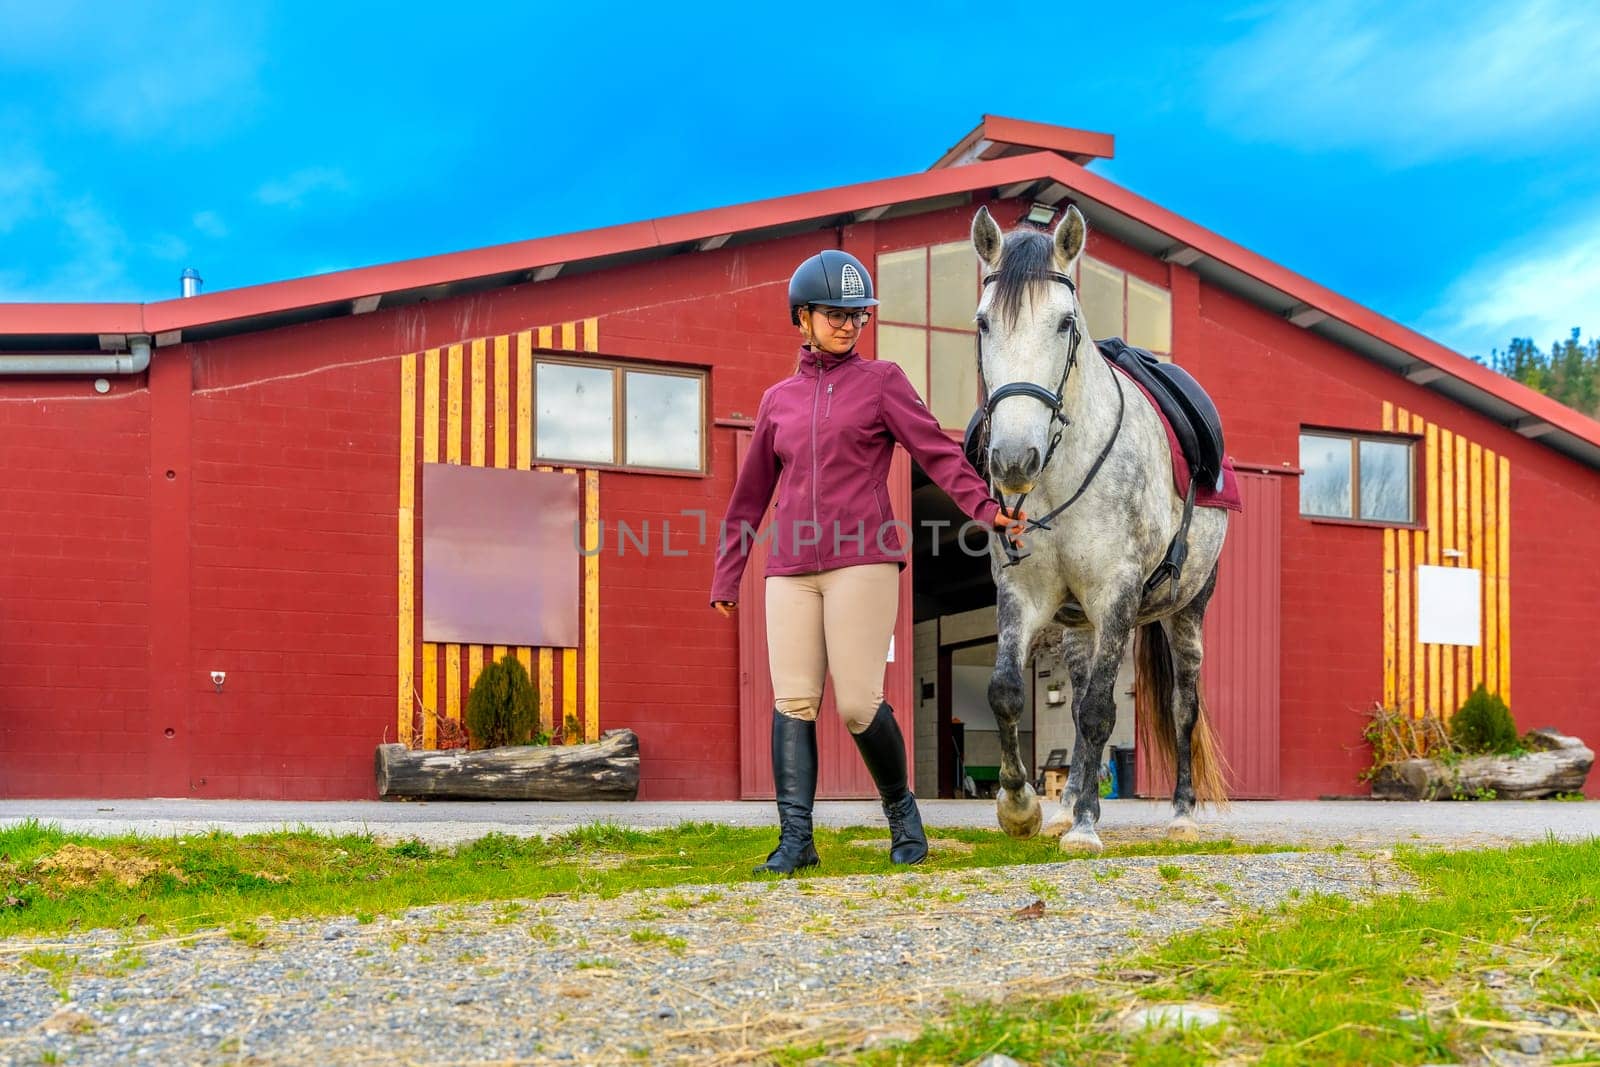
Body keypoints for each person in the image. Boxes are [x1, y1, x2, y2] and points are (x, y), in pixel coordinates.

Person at [710, 248, 1027, 875]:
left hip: (864, 557)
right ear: (802, 318)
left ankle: (901, 811)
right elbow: (749, 497)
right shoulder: (778, 401)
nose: (849, 324)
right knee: (793, 701)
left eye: (857, 315)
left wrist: (987, 509)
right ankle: (796, 841)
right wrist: (728, 572)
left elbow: (937, 452)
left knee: (857, 702)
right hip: (791, 567)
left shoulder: (883, 382)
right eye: (835, 314)